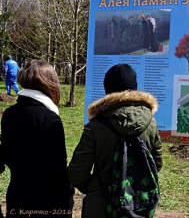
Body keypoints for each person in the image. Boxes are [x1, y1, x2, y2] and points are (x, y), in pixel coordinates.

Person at [68, 63, 163, 218]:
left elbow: (77, 171)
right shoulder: (150, 123)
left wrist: (95, 188)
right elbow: (156, 163)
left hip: (100, 206)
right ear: (135, 87)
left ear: (106, 89)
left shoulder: (96, 125)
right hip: (138, 205)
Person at [0, 59, 74, 217]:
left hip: (17, 196)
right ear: (50, 83)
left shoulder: (9, 114)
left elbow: (7, 155)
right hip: (47, 200)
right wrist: (68, 202)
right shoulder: (50, 119)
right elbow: (58, 169)